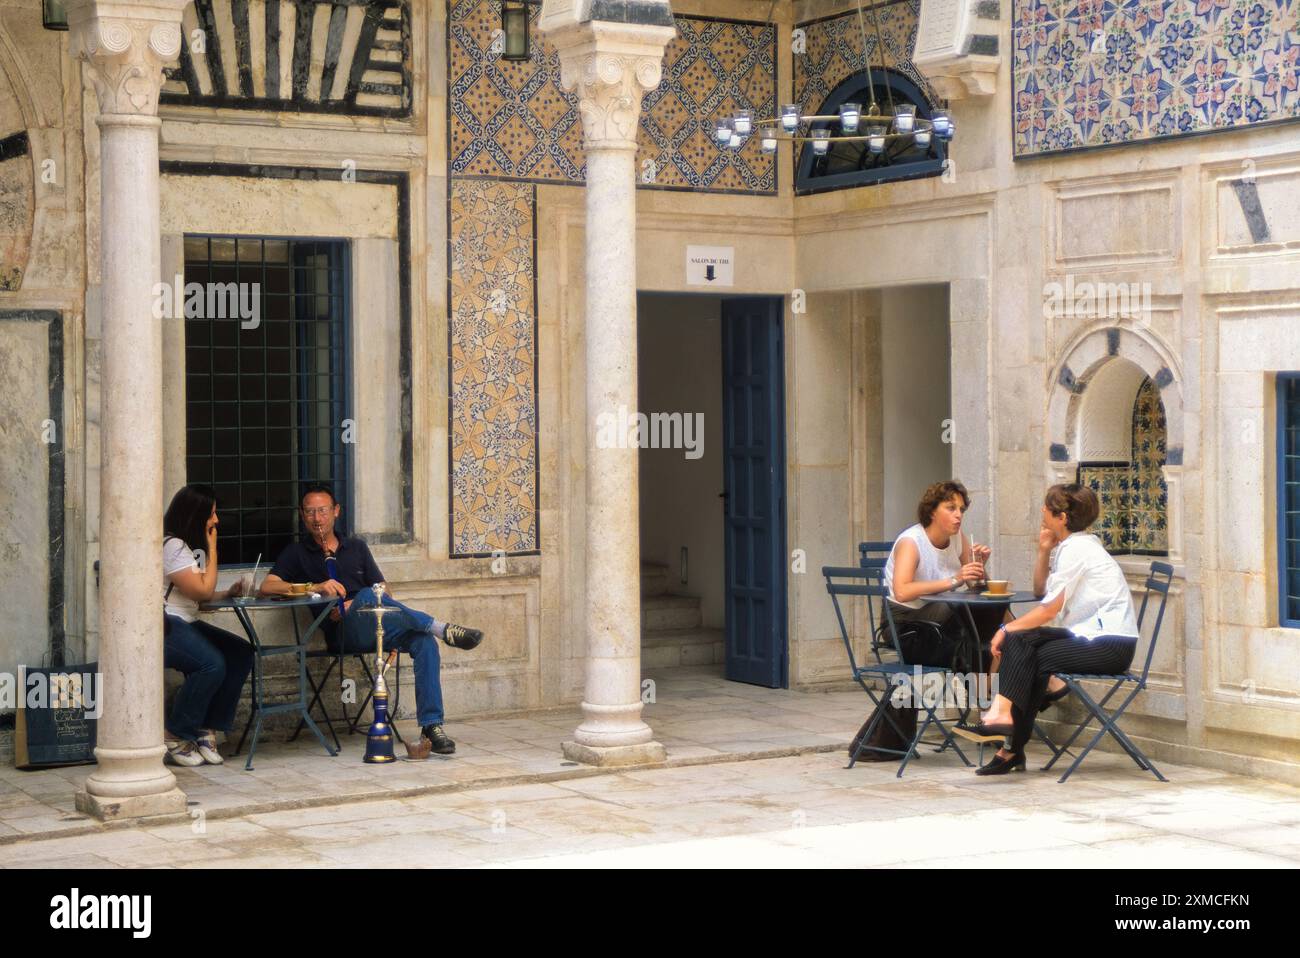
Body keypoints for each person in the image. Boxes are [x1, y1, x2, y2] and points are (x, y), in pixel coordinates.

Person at [259, 483, 483, 756]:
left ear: (336, 511)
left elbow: (385, 590)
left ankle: (432, 726)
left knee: (423, 642)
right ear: (302, 514)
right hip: (341, 632)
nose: (317, 518)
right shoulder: (297, 552)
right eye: (310, 512)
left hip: (375, 625)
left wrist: (356, 603)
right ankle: (441, 627)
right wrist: (314, 587)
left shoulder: (356, 547)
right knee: (367, 594)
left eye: (323, 511)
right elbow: (267, 587)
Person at [953, 483, 1140, 775]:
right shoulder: (1074, 545)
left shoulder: (1077, 549)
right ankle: (1006, 735)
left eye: (1048, 508)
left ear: (1062, 517)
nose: (1042, 510)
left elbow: (1049, 610)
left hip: (1110, 647)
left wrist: (1004, 629)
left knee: (1024, 648)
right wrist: (1044, 550)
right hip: (1092, 636)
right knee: (1022, 644)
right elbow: (1043, 592)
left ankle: (1007, 736)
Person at [852, 481, 1000, 761]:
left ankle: (992, 698)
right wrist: (954, 579)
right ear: (932, 511)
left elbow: (976, 587)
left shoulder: (958, 539)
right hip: (906, 626)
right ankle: (989, 704)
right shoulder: (912, 541)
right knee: (972, 629)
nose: (958, 515)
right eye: (951, 508)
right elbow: (902, 590)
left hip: (943, 625)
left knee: (988, 622)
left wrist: (980, 567)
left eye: (961, 509)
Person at [162, 484, 255, 767]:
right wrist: (213, 548)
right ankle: (175, 734)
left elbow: (199, 597)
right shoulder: (173, 546)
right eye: (212, 514)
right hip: (164, 625)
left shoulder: (187, 548)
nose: (216, 520)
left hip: (185, 620)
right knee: (211, 664)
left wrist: (228, 593)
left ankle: (206, 727)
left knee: (240, 652)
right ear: (196, 515)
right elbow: (201, 591)